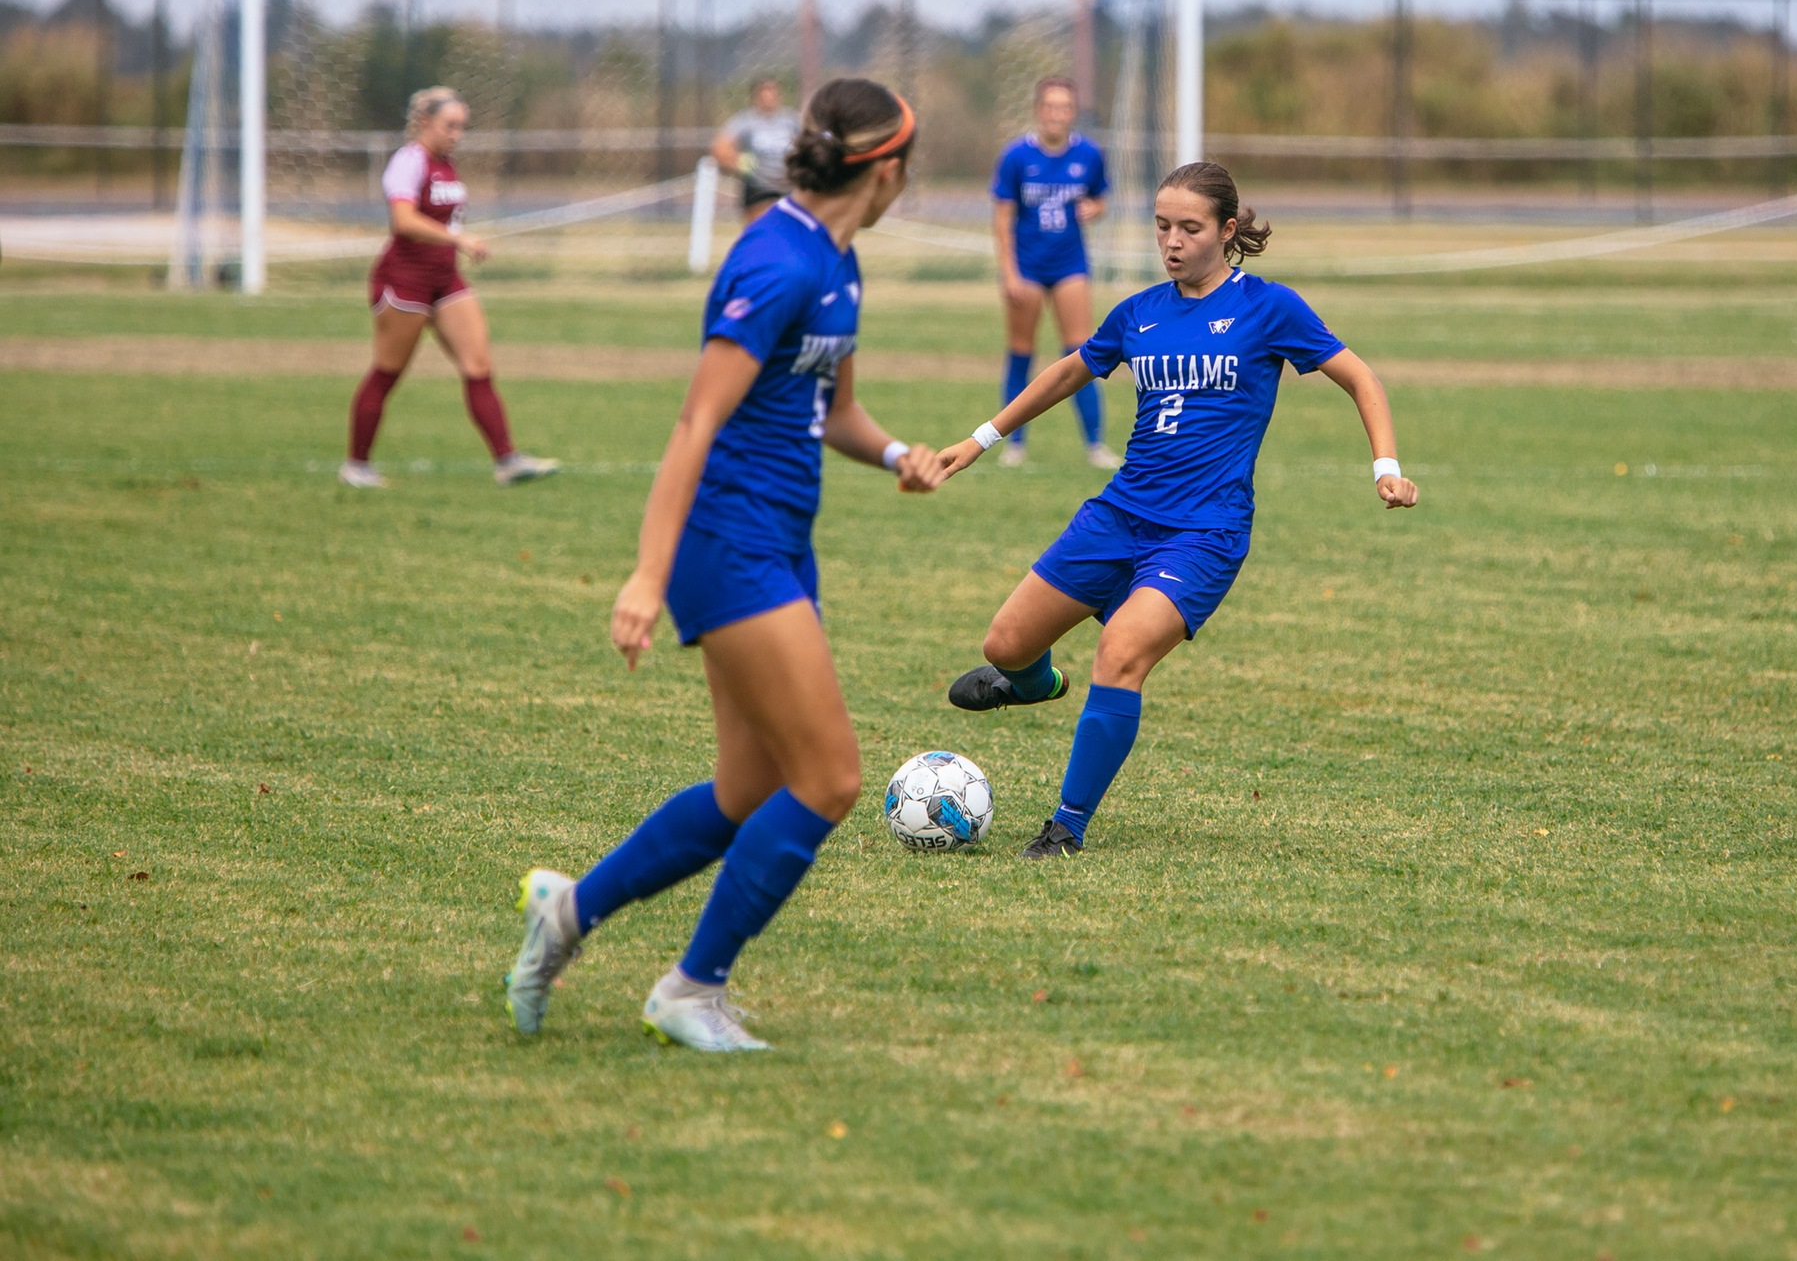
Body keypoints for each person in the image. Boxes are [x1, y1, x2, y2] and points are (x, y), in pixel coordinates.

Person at [502, 80, 944, 1051]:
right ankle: (690, 988)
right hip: (727, 540)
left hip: (783, 538)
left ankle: (567, 913)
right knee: (828, 778)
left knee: (746, 791)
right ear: (886, 170)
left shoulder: (838, 260)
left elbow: (832, 412)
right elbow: (695, 420)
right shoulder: (779, 262)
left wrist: (896, 454)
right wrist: (645, 579)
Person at [933, 160, 1418, 859]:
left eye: (1189, 227)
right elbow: (1072, 366)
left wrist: (1386, 468)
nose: (1172, 240)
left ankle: (1066, 825)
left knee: (1120, 651)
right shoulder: (1138, 312)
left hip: (1202, 532)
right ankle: (1040, 685)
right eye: (1162, 225)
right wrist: (982, 438)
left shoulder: (1268, 307)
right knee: (1004, 647)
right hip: (1118, 514)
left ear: (1226, 229)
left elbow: (1357, 375)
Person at [341, 86, 560, 489]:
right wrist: (458, 240)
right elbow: (403, 221)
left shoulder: (446, 164)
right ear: (425, 123)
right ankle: (357, 466)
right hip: (404, 279)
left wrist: (455, 244)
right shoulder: (409, 162)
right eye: (450, 126)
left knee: (479, 366)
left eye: (462, 127)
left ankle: (507, 461)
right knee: (388, 372)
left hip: (445, 279)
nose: (457, 134)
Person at [989, 76, 1117, 469]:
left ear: (1072, 113)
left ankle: (1095, 445)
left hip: (1069, 265)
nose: (1056, 114)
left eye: (1064, 107)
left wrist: (1094, 209)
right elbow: (1003, 219)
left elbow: (1100, 200)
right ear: (1038, 110)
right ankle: (1014, 444)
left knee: (1080, 353)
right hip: (1027, 267)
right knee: (1021, 353)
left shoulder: (1090, 155)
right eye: (1050, 106)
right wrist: (1009, 273)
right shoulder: (1015, 157)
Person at [712, 75, 801, 218]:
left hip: (789, 187)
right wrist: (742, 164)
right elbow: (720, 148)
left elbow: (812, 140)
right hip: (759, 188)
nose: (768, 96)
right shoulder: (745, 121)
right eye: (764, 92)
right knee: (761, 231)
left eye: (772, 91)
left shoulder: (792, 120)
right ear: (755, 96)